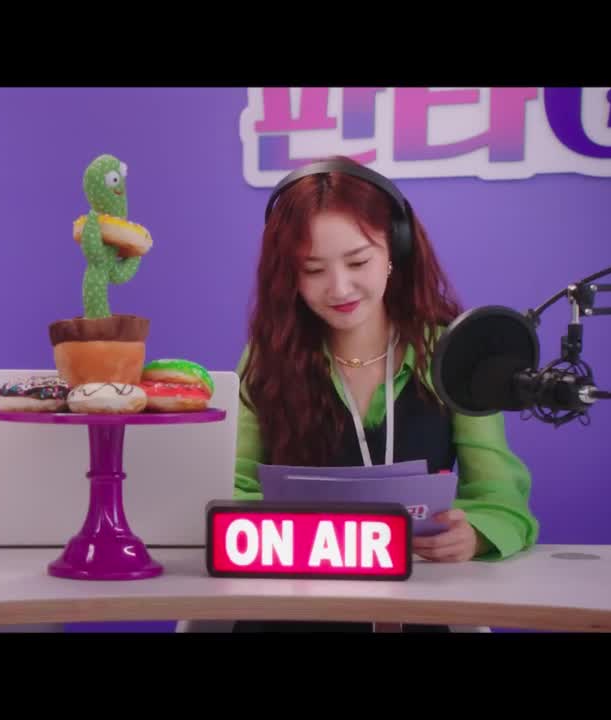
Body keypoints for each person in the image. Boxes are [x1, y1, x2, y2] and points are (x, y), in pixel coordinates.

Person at [230, 156, 538, 631]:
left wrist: (475, 533)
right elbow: (230, 489)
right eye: (312, 269)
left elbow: (501, 497)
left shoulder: (451, 354)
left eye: (358, 261)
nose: (339, 288)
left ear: (396, 248)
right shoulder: (265, 359)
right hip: (291, 609)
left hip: (416, 609)